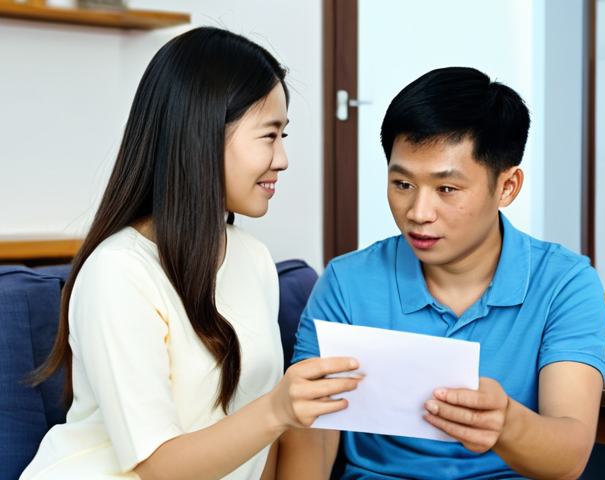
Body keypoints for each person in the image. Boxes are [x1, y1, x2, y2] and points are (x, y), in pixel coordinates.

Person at [20, 27, 362, 480]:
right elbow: (157, 466)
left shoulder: (254, 258)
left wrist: (280, 414)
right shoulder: (119, 272)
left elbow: (256, 448)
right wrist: (278, 409)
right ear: (203, 135)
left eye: (284, 135)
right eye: (269, 135)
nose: (282, 158)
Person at [290, 67, 605, 479]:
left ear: (507, 187)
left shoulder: (565, 284)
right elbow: (309, 436)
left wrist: (507, 423)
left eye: (447, 189)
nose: (418, 214)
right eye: (402, 183)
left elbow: (569, 458)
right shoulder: (347, 283)